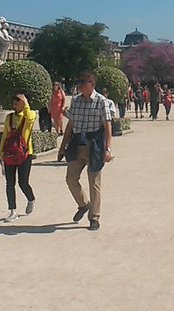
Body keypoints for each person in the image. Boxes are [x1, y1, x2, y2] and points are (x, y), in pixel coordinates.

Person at [56, 72, 113, 231]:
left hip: (94, 144)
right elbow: (70, 125)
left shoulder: (102, 101)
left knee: (94, 183)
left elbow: (108, 126)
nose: (79, 84)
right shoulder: (76, 100)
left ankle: (94, 217)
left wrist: (107, 149)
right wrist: (62, 147)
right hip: (76, 143)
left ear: (92, 84)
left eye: (83, 82)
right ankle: (83, 204)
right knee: (70, 179)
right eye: (79, 81)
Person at [0, 92, 37, 223]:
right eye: (14, 100)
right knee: (10, 183)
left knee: (23, 183)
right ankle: (13, 211)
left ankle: (31, 199)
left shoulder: (29, 115)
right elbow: (5, 136)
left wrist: (26, 104)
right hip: (10, 153)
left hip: (25, 154)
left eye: (18, 100)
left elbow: (30, 118)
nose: (15, 102)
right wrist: (0, 152)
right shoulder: (9, 118)